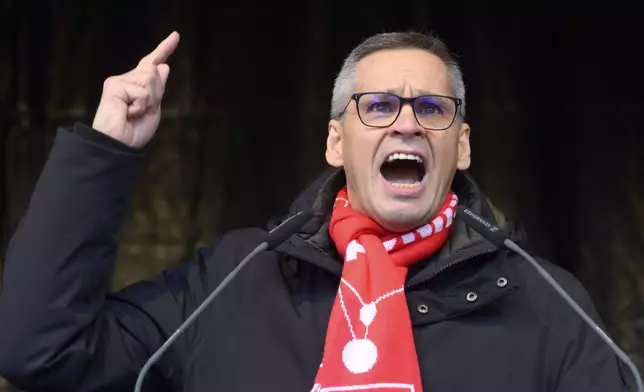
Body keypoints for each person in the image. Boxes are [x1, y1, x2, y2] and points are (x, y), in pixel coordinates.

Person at [0, 30, 630, 392]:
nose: (407, 123)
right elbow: (39, 350)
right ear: (336, 141)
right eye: (378, 106)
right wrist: (106, 150)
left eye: (433, 110)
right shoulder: (232, 280)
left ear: (460, 146)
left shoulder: (548, 303)